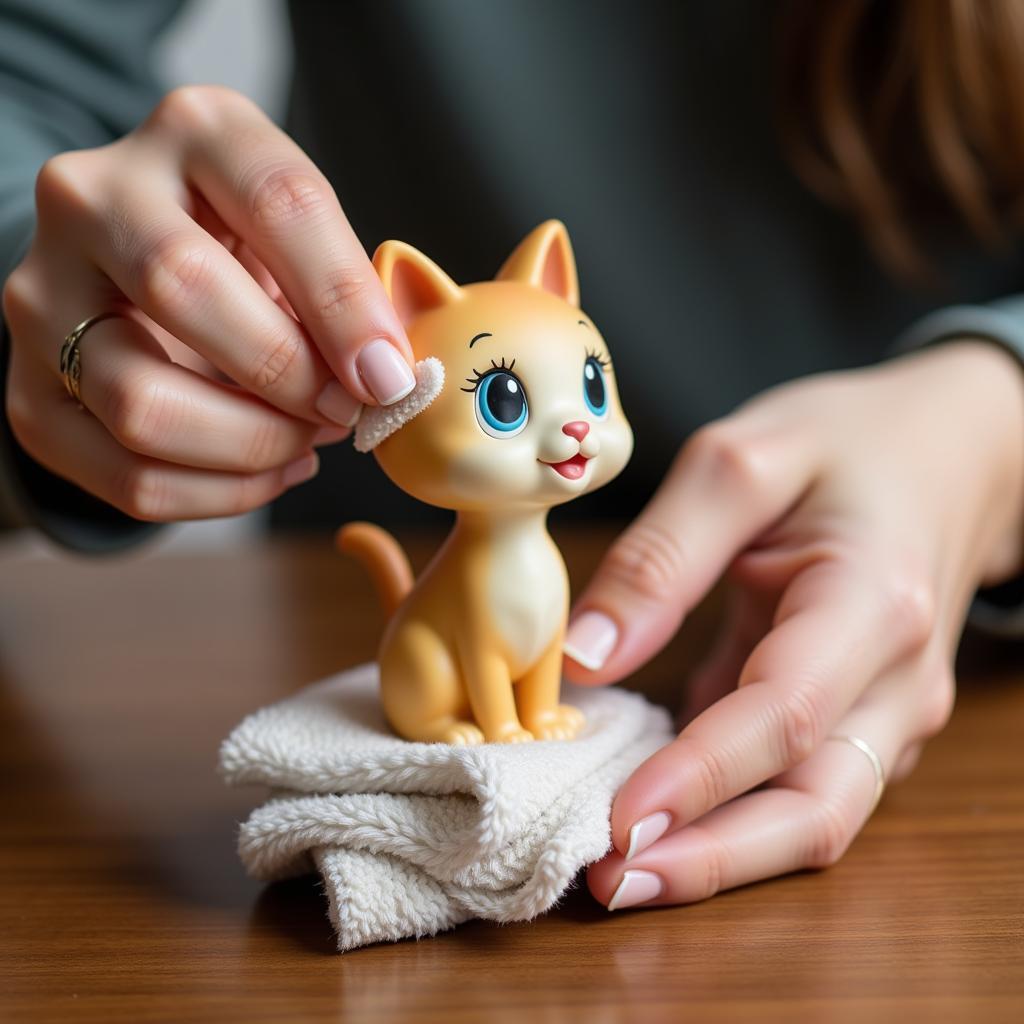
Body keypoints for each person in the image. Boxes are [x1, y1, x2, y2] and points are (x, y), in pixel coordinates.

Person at [1, 0, 1022, 913]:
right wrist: (64, 307)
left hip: (954, 664)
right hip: (320, 621)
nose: (576, 425)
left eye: (588, 390)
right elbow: (27, 65)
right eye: (503, 400)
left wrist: (993, 408)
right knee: (470, 652)